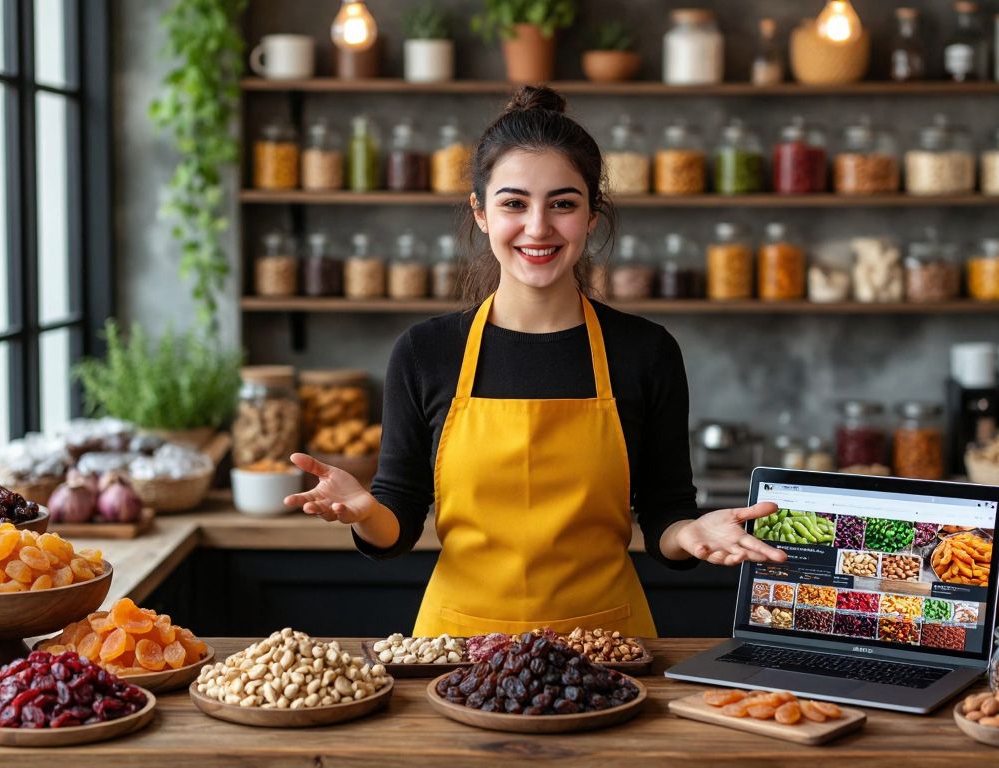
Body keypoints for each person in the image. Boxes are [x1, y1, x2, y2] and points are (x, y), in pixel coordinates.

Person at [287, 86, 785, 637]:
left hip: (605, 645)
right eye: (514, 203)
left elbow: (665, 511)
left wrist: (689, 532)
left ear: (592, 215)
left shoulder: (646, 351)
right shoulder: (425, 352)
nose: (538, 227)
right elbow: (397, 522)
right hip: (459, 647)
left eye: (563, 203)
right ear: (481, 212)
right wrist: (365, 514)